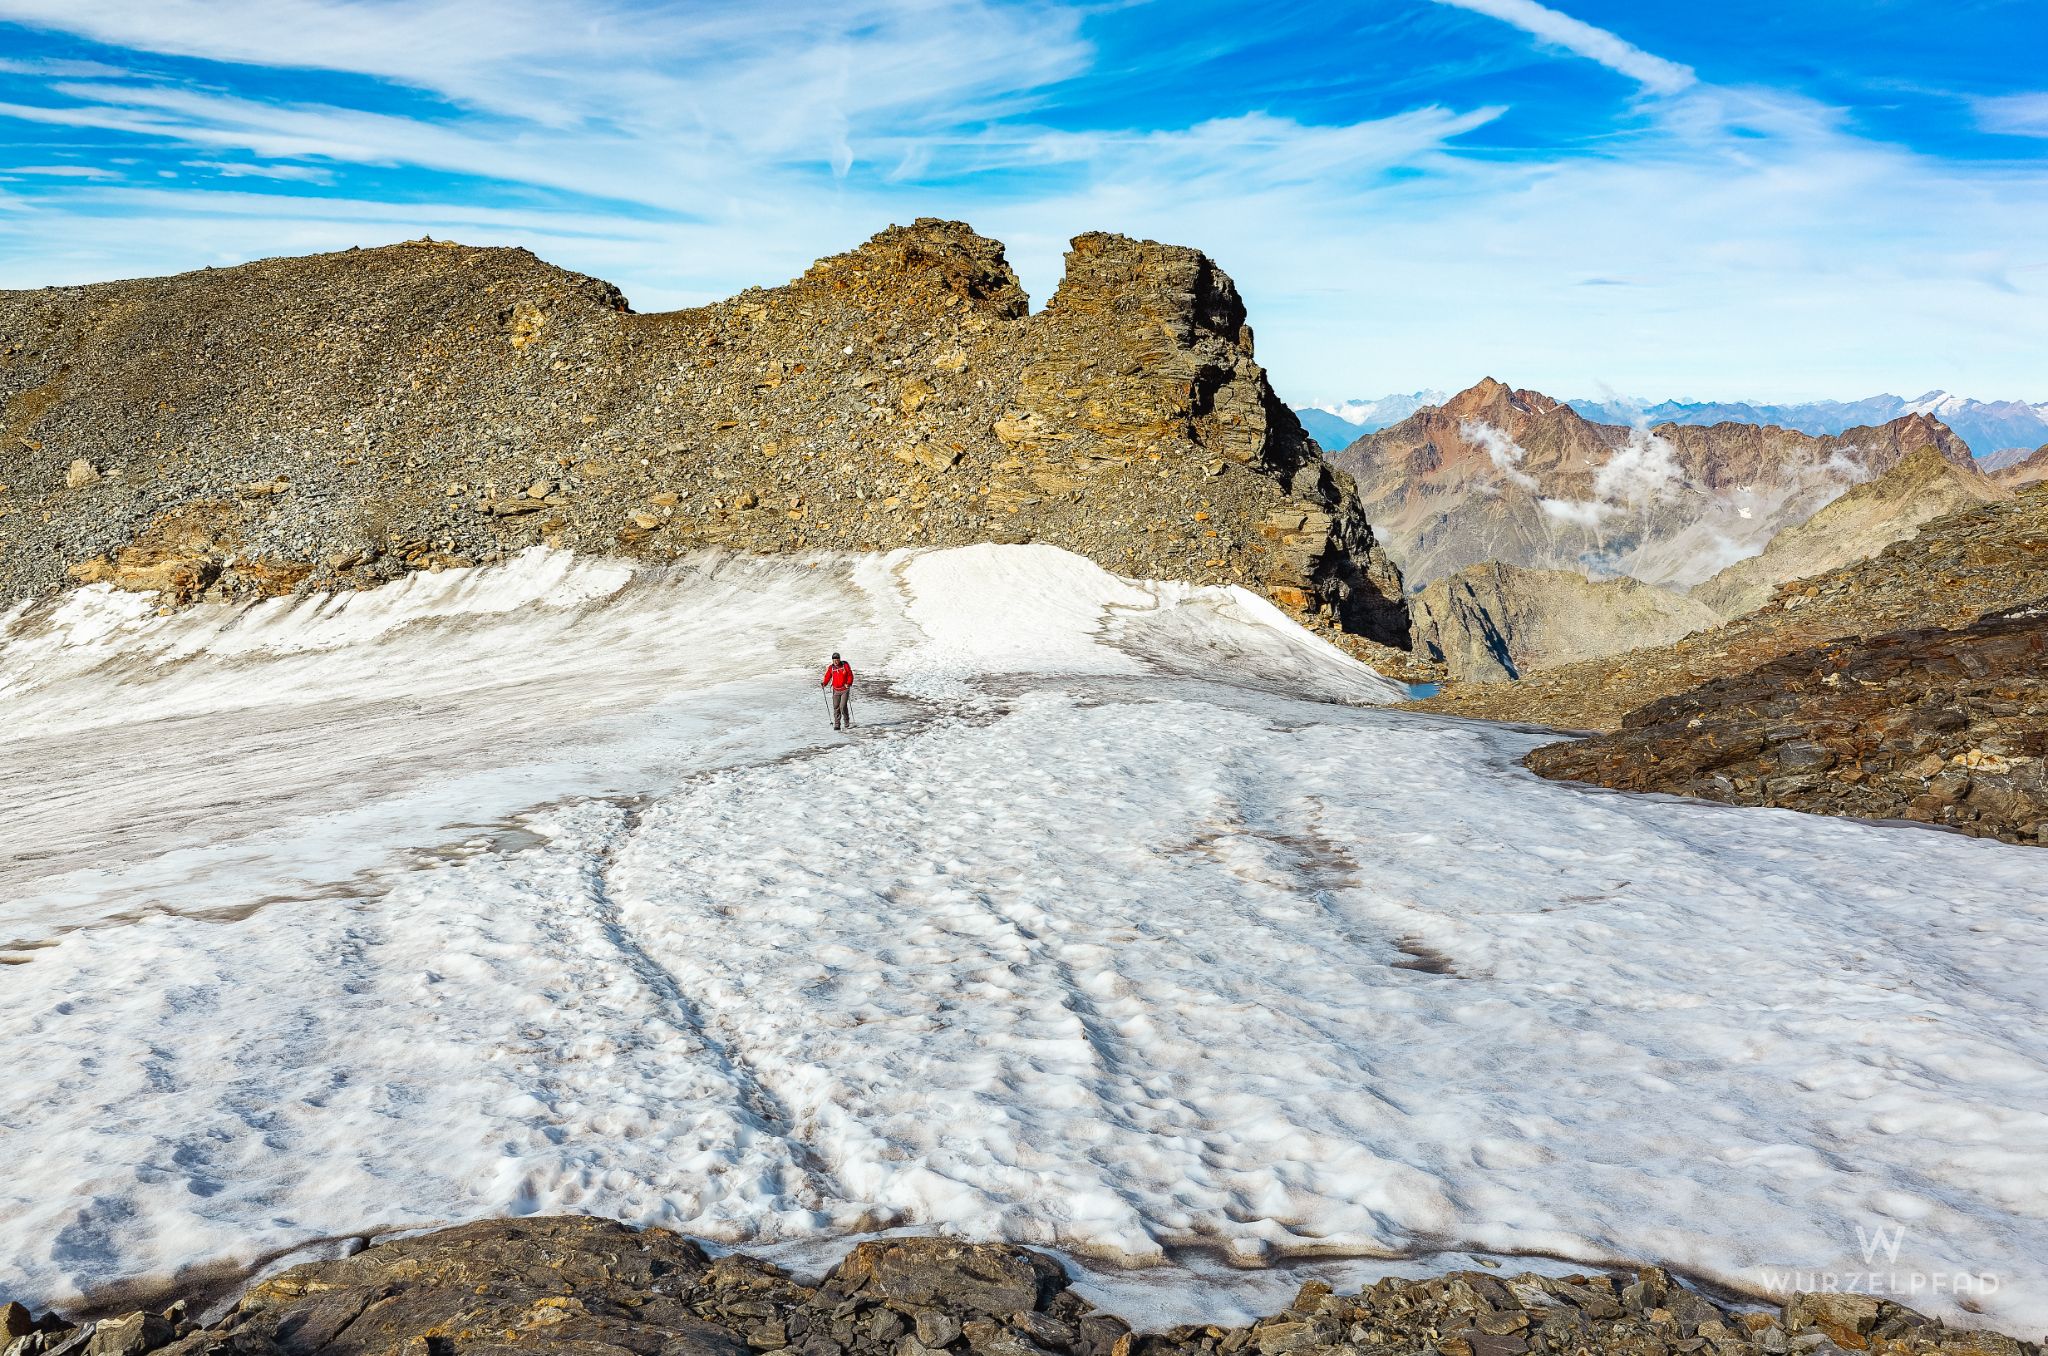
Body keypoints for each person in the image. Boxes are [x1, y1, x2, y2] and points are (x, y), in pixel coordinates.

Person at [821, 652, 855, 730]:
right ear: (832, 660)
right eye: (834, 660)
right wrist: (824, 684)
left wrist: (849, 683)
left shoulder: (845, 665)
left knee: (842, 706)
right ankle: (837, 725)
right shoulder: (831, 668)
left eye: (837, 659)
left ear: (839, 659)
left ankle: (846, 722)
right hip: (836, 690)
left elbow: (850, 675)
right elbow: (827, 676)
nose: (836, 661)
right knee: (836, 707)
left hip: (844, 689)